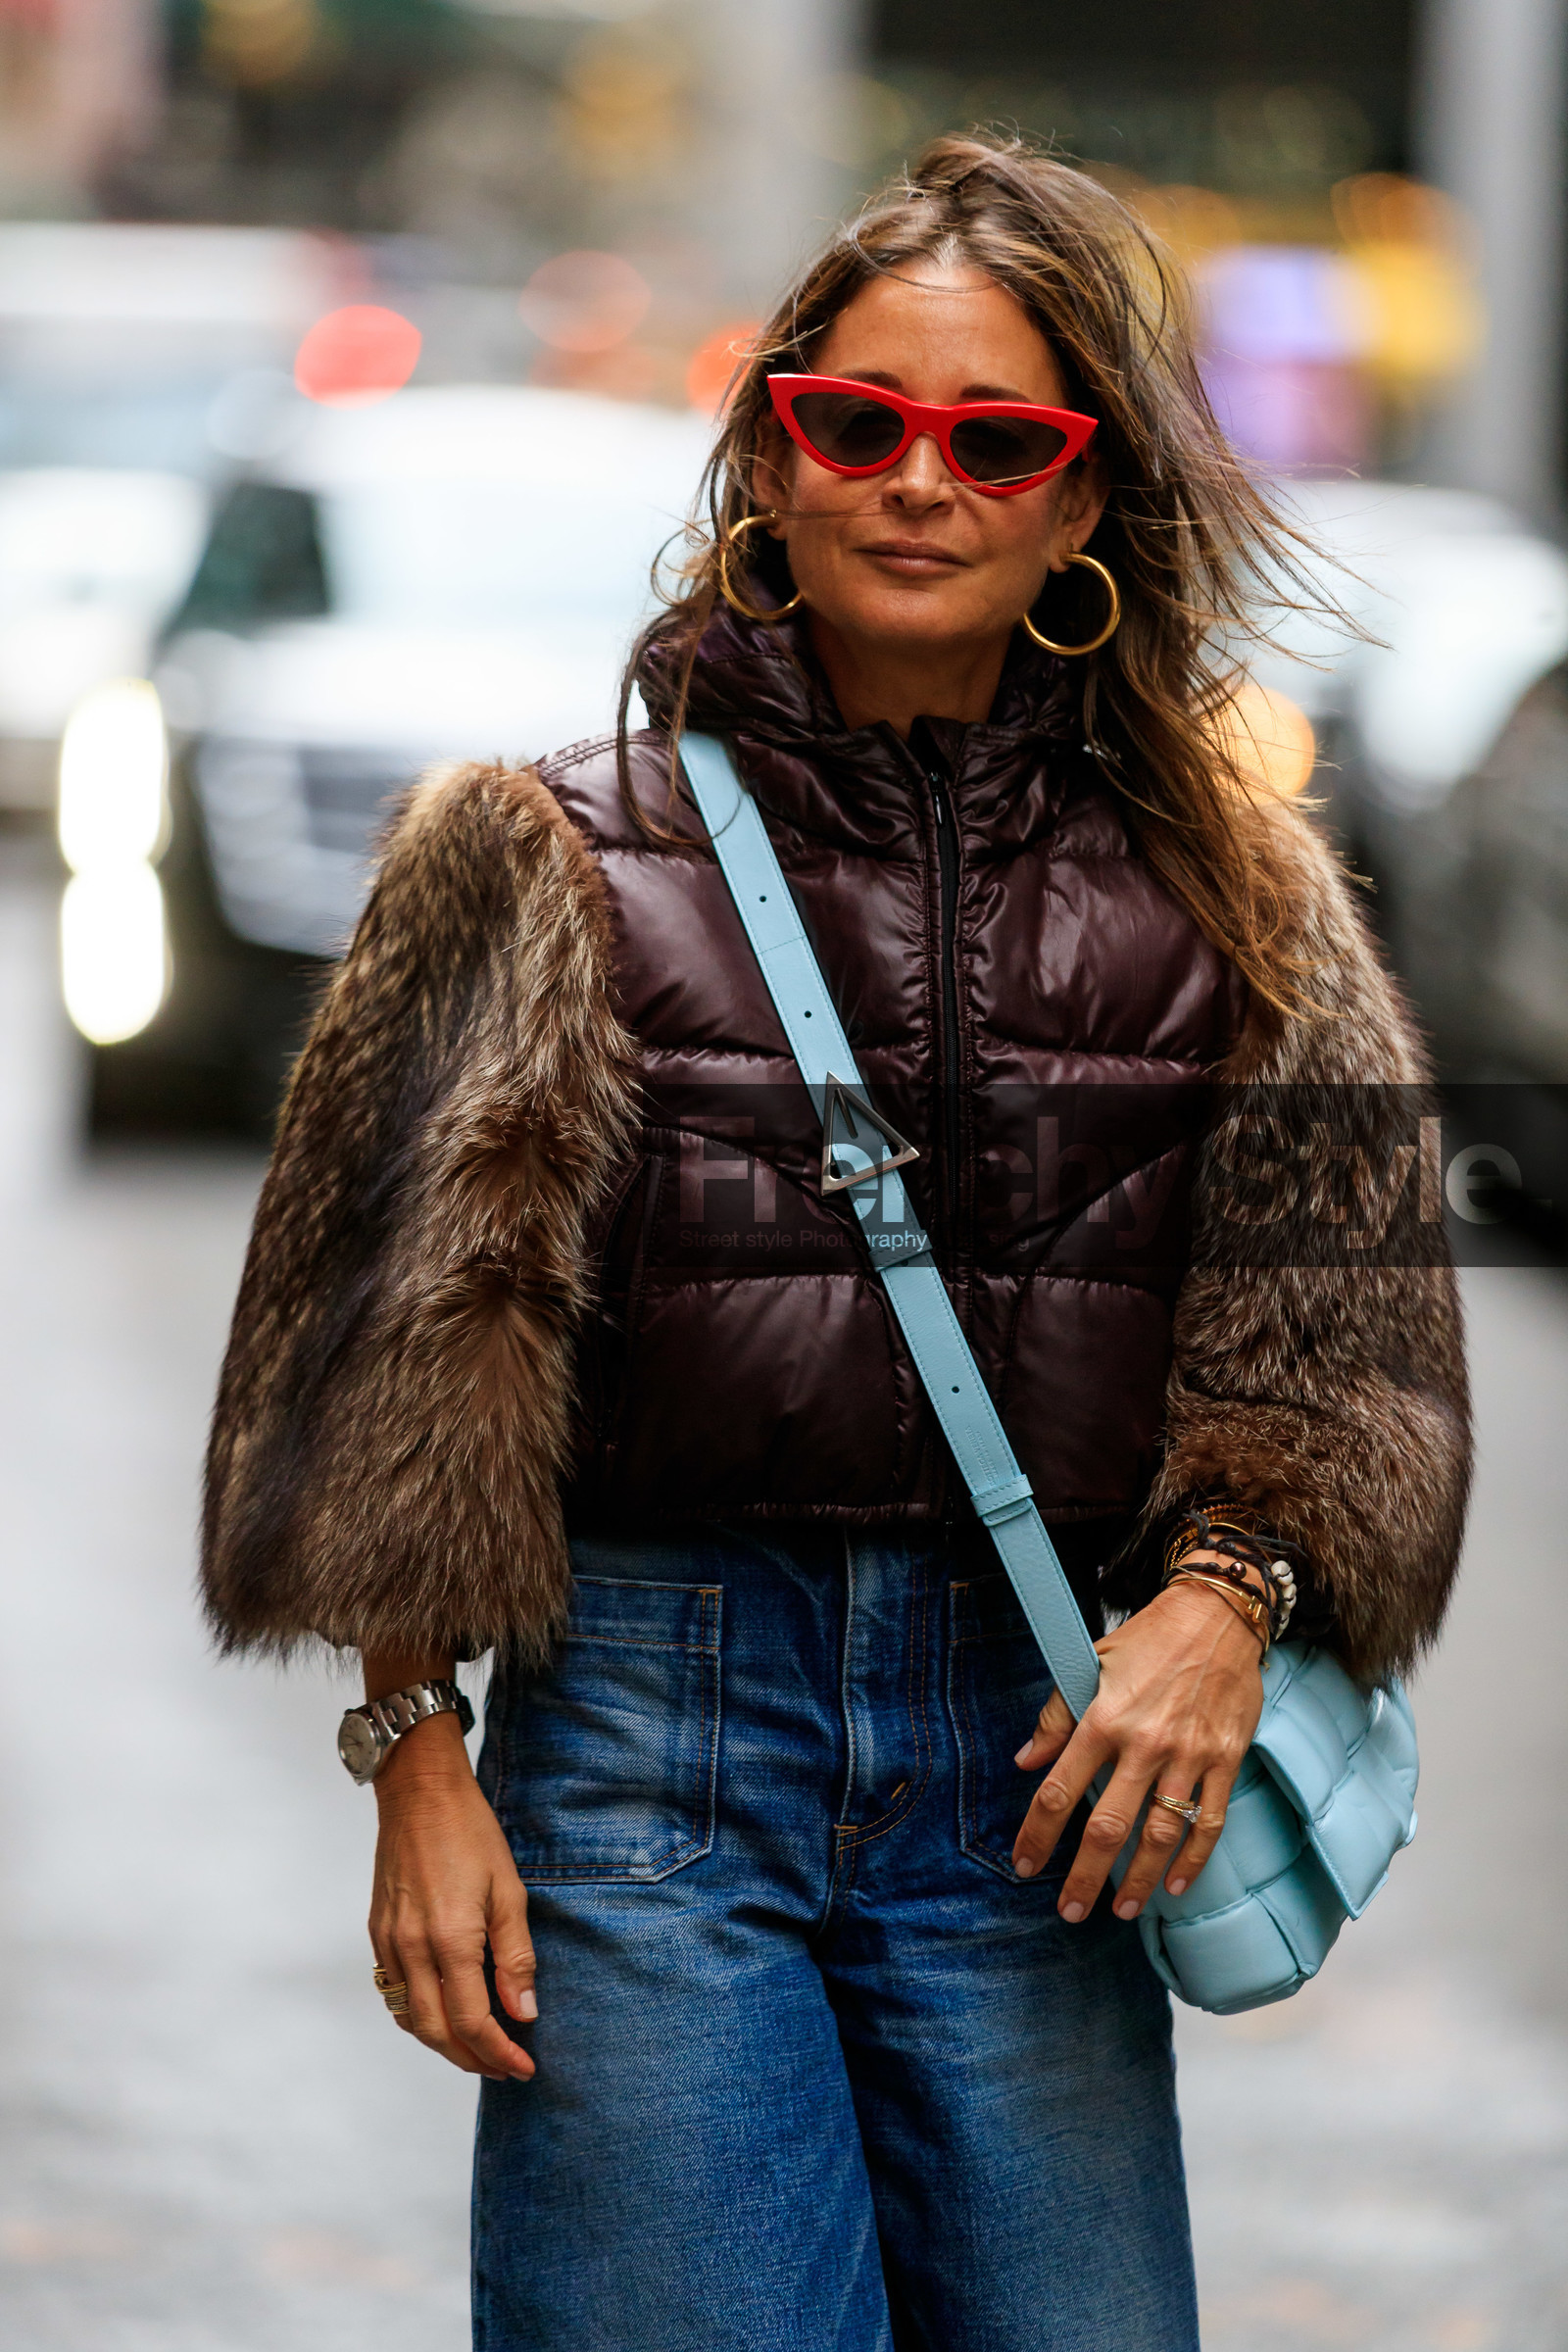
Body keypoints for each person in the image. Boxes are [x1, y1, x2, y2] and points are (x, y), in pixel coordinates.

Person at [201, 136, 1471, 2351]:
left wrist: (1222, 1594)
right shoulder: (530, 857)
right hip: (645, 1754)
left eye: (997, 440)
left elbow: (1352, 1353)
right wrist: (413, 1753)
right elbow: (369, 1359)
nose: (917, 480)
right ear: (768, 448)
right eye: (855, 421)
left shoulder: (1244, 895)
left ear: (1080, 506)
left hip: (1039, 1770)